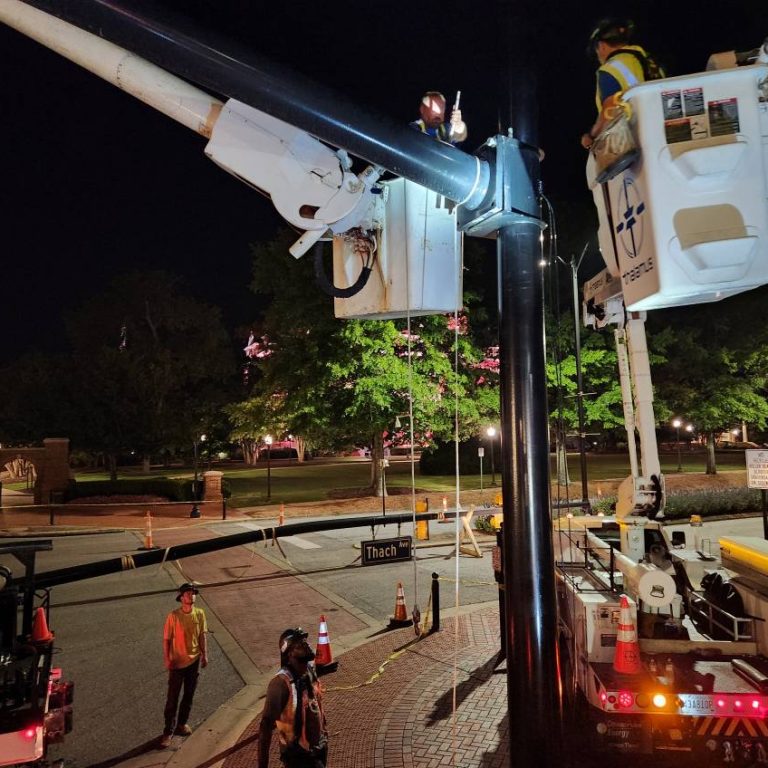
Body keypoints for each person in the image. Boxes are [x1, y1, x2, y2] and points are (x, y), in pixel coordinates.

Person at [581, 19, 663, 149]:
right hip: (662, 133)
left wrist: (592, 135)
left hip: (637, 141)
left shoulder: (610, 68)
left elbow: (610, 109)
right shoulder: (651, 63)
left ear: (601, 46)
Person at [258, 628, 328, 768]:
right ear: (289, 653)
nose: (306, 645)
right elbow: (265, 727)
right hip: (298, 756)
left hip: (319, 747)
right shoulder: (280, 684)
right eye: (299, 644)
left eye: (305, 641)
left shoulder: (309, 671)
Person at [159, 583, 208, 748]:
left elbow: (202, 635)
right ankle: (168, 731)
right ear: (181, 598)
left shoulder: (200, 614)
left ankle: (182, 723)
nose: (191, 596)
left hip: (193, 662)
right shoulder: (173, 616)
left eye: (193, 593)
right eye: (188, 593)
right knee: (172, 699)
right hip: (176, 663)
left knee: (188, 695)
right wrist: (167, 659)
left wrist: (204, 654)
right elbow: (166, 639)